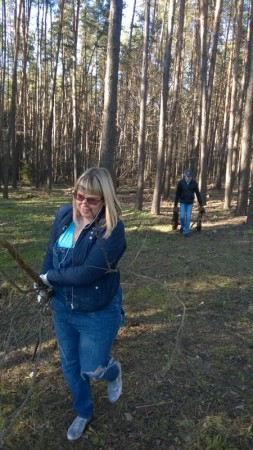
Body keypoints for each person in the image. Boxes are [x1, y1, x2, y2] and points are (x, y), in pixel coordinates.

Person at [38, 167, 126, 441]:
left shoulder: (112, 230)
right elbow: (50, 254)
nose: (83, 204)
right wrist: (42, 283)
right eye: (79, 196)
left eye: (92, 200)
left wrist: (49, 277)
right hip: (63, 308)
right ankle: (83, 411)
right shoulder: (64, 216)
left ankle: (112, 371)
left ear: (105, 200)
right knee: (70, 366)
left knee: (92, 367)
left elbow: (88, 272)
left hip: (97, 310)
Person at [174, 168, 204, 237]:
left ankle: (186, 231)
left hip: (190, 202)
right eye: (187, 176)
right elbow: (177, 193)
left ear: (191, 176)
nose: (188, 178)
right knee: (182, 216)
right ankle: (183, 226)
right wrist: (175, 203)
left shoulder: (194, 183)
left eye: (189, 176)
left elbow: (197, 193)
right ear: (184, 176)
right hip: (182, 202)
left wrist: (200, 203)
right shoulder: (181, 182)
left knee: (188, 217)